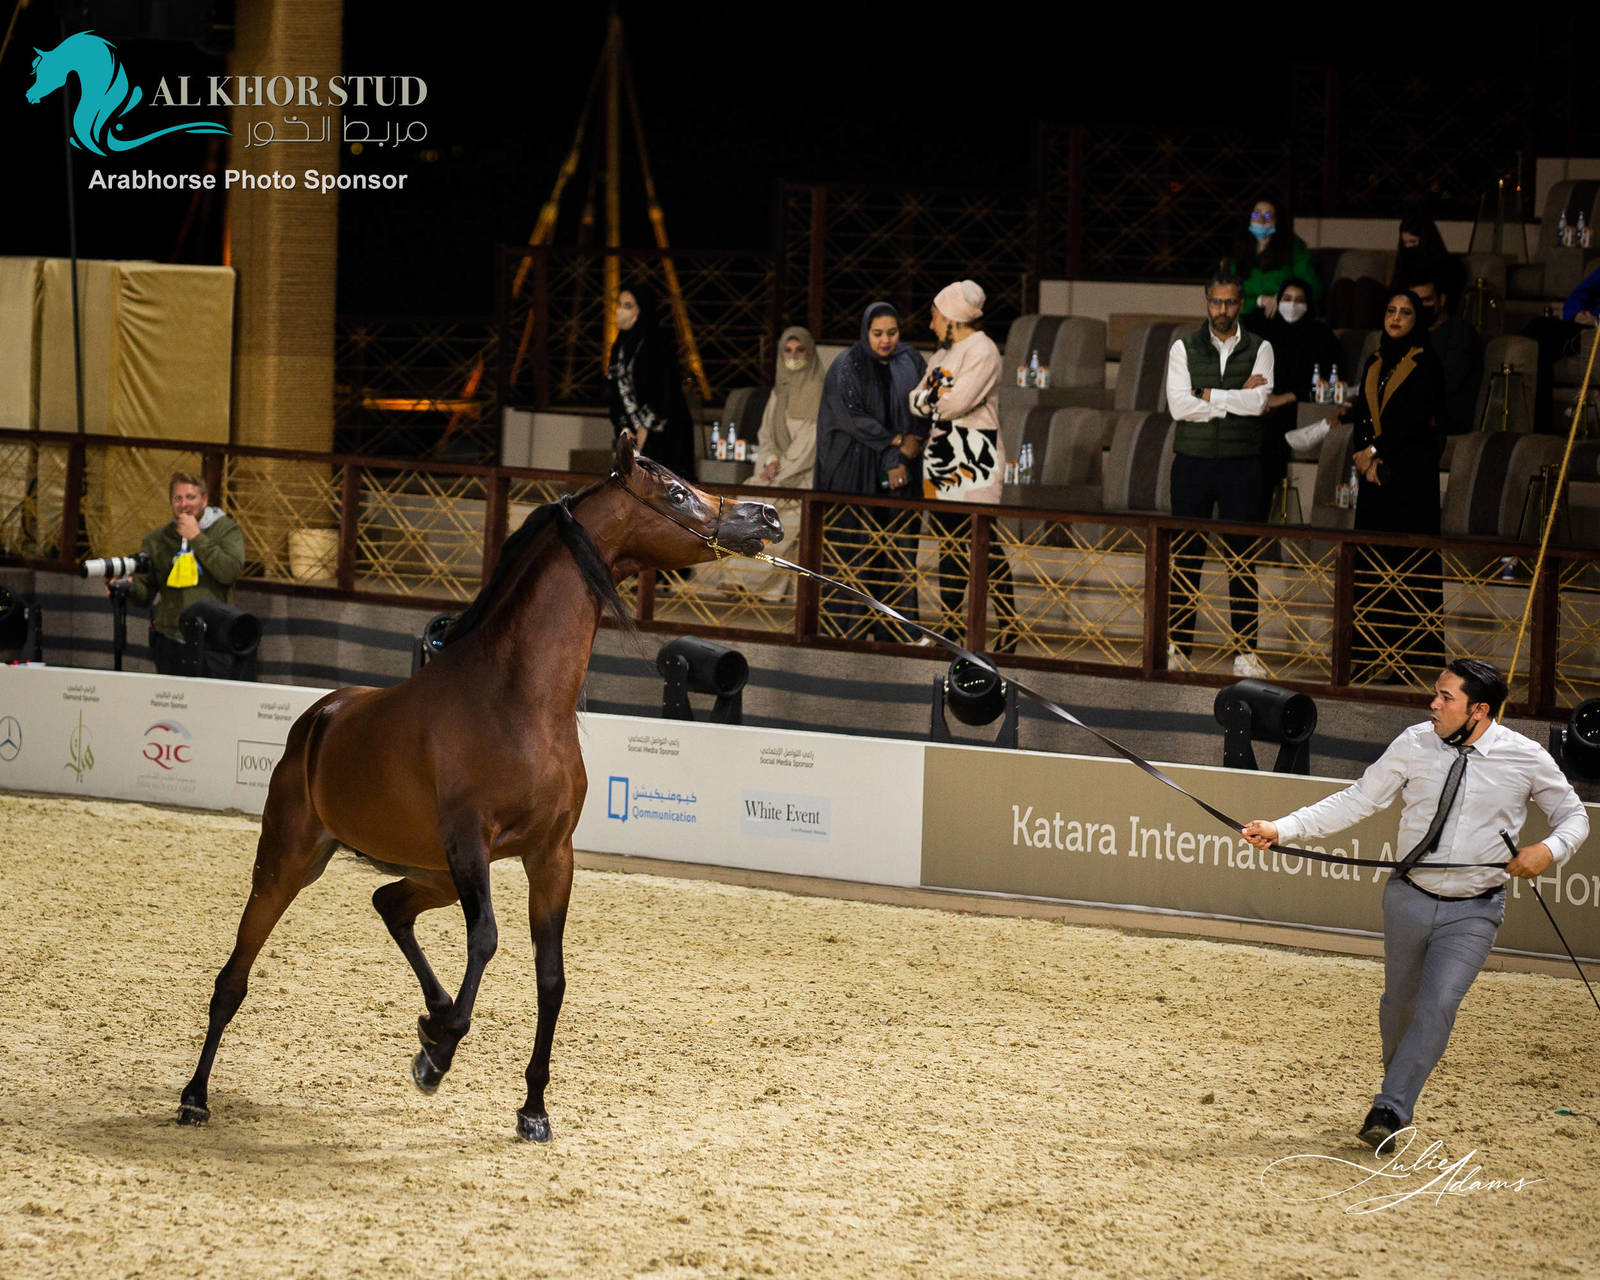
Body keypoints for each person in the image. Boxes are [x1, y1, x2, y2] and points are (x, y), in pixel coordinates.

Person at [1241, 658, 1587, 1148]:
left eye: (1447, 698)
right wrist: (1283, 828)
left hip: (1475, 909)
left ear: (1480, 711)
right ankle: (1397, 1086)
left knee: (1438, 1004)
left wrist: (1548, 850)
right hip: (1407, 897)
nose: (1434, 704)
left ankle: (1390, 1107)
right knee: (1398, 1006)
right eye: (1436, 693)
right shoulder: (1413, 742)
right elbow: (1359, 799)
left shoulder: (1525, 757)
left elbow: (1574, 816)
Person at [1165, 271, 1275, 677]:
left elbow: (1259, 402)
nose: (1222, 310)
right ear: (1205, 301)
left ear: (1240, 304)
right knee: (1186, 556)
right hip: (1192, 461)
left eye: (1230, 303)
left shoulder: (1262, 347)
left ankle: (1246, 652)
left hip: (1242, 463)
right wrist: (1233, 398)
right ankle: (1177, 646)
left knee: (1243, 559)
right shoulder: (1184, 346)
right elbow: (1179, 407)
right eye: (1216, 302)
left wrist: (1207, 393)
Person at [909, 279, 1017, 652]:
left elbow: (957, 404)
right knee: (947, 544)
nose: (931, 323)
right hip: (941, 456)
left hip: (975, 455)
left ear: (953, 316)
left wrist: (933, 399)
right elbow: (915, 400)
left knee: (983, 542)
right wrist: (935, 398)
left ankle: (1009, 625)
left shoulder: (983, 350)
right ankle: (950, 629)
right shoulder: (942, 354)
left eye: (936, 315)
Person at [1346, 288, 1448, 683]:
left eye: (1406, 312)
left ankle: (1405, 658)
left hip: (1410, 480)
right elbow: (1362, 414)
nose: (1396, 318)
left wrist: (1374, 451)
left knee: (1405, 567)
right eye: (1391, 310)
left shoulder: (1426, 361)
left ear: (1416, 319)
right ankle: (1370, 653)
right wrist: (1364, 456)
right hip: (1375, 479)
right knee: (1372, 566)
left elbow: (1414, 419)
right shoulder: (1374, 359)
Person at [814, 301, 927, 640]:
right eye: (877, 333)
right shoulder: (847, 365)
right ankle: (843, 628)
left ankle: (894, 628)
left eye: (892, 333)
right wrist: (894, 440)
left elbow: (920, 410)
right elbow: (850, 415)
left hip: (897, 471)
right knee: (853, 549)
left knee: (895, 550)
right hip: (853, 472)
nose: (885, 340)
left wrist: (900, 456)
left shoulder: (910, 361)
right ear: (865, 332)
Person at [116, 471, 246, 676]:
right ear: (171, 503)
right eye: (178, 498)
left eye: (190, 497)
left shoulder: (226, 530)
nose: (184, 504)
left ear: (204, 500)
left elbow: (229, 572)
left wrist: (196, 537)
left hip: (213, 640)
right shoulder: (157, 539)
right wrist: (126, 587)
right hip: (170, 639)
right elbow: (145, 595)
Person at [1256, 277, 1342, 517]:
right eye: (1287, 299)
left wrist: (1285, 397)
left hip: (1294, 405)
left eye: (1299, 300)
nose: (1292, 305)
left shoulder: (1321, 335)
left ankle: (1256, 519)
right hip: (1258, 400)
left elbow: (1330, 381)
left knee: (1269, 436)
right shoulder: (1265, 331)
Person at [605, 280, 696, 480]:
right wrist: (625, 428)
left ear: (642, 310)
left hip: (667, 435)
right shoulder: (619, 346)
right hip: (632, 435)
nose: (620, 311)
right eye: (619, 305)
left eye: (627, 306)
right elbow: (613, 393)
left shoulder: (659, 342)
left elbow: (666, 388)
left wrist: (646, 426)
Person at [1523, 262, 1600, 434]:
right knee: (1537, 342)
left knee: (1539, 332)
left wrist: (1595, 321)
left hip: (1595, 330)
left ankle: (1538, 427)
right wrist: (1576, 314)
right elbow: (1580, 293)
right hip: (1580, 325)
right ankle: (1534, 427)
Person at [1403, 273, 1481, 436]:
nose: (1422, 307)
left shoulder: (1460, 332)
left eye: (1427, 300)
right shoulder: (1411, 332)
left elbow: (1447, 382)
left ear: (1442, 300)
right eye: (1416, 302)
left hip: (1446, 417)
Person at [750, 326, 821, 489]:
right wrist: (770, 461)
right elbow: (765, 435)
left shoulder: (817, 393)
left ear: (809, 352)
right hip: (771, 472)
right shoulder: (779, 392)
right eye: (787, 350)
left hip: (802, 478)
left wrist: (777, 472)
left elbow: (808, 447)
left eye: (800, 350)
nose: (793, 355)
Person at [1227, 199, 1321, 319]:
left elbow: (1310, 286)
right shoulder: (1242, 248)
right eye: (1256, 214)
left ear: (1277, 221)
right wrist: (1260, 300)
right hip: (1250, 312)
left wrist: (1283, 297)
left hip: (1287, 313)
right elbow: (1231, 292)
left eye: (1268, 215)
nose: (1261, 219)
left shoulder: (1292, 246)